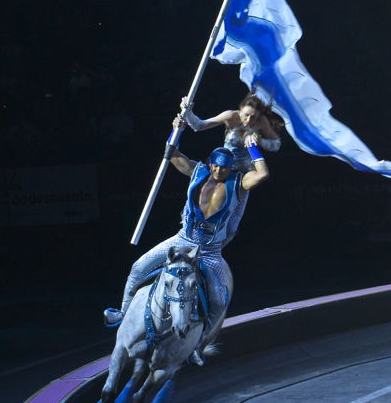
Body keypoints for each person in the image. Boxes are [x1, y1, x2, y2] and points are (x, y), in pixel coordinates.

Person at [103, 137, 269, 359]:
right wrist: (177, 130)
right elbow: (172, 154)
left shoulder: (238, 184)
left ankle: (198, 344)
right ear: (210, 164)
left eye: (224, 168)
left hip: (210, 250)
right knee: (138, 267)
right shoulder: (197, 171)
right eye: (216, 166)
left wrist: (252, 147)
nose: (219, 171)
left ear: (230, 168)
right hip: (184, 239)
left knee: (220, 301)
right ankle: (123, 313)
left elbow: (262, 174)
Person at [180, 91, 282, 171]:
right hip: (224, 164)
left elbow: (276, 145)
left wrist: (260, 141)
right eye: (246, 115)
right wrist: (188, 112)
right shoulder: (231, 116)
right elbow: (198, 126)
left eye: (253, 117)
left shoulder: (261, 121)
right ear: (241, 109)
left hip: (245, 169)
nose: (249, 120)